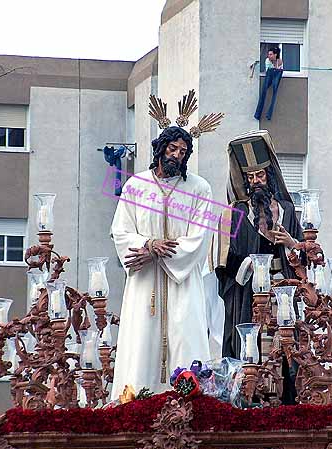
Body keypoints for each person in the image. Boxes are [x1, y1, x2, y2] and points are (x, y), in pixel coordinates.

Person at [110, 93, 223, 399]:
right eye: (172, 148)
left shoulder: (199, 188)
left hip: (183, 282)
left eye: (184, 152)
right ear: (160, 149)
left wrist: (165, 251)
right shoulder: (136, 185)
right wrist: (147, 245)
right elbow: (120, 231)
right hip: (144, 283)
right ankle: (134, 403)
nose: (177, 155)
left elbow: (200, 236)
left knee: (185, 337)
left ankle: (188, 402)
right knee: (141, 343)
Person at [212, 130, 304, 403]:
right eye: (250, 177)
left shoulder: (286, 209)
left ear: (269, 176)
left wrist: (290, 242)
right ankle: (249, 399)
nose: (255, 182)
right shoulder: (235, 213)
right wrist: (251, 263)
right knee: (250, 347)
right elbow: (223, 262)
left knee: (286, 348)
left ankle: (284, 400)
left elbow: (307, 257)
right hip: (248, 293)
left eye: (260, 176)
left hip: (283, 291)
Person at [254, 47, 284, 121]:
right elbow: (268, 71)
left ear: (275, 54)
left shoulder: (279, 61)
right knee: (263, 92)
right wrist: (275, 69)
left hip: (276, 75)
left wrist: (275, 68)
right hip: (270, 74)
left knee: (274, 93)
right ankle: (258, 114)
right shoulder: (267, 60)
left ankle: (269, 114)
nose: (269, 56)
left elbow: (279, 70)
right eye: (268, 54)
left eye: (271, 54)